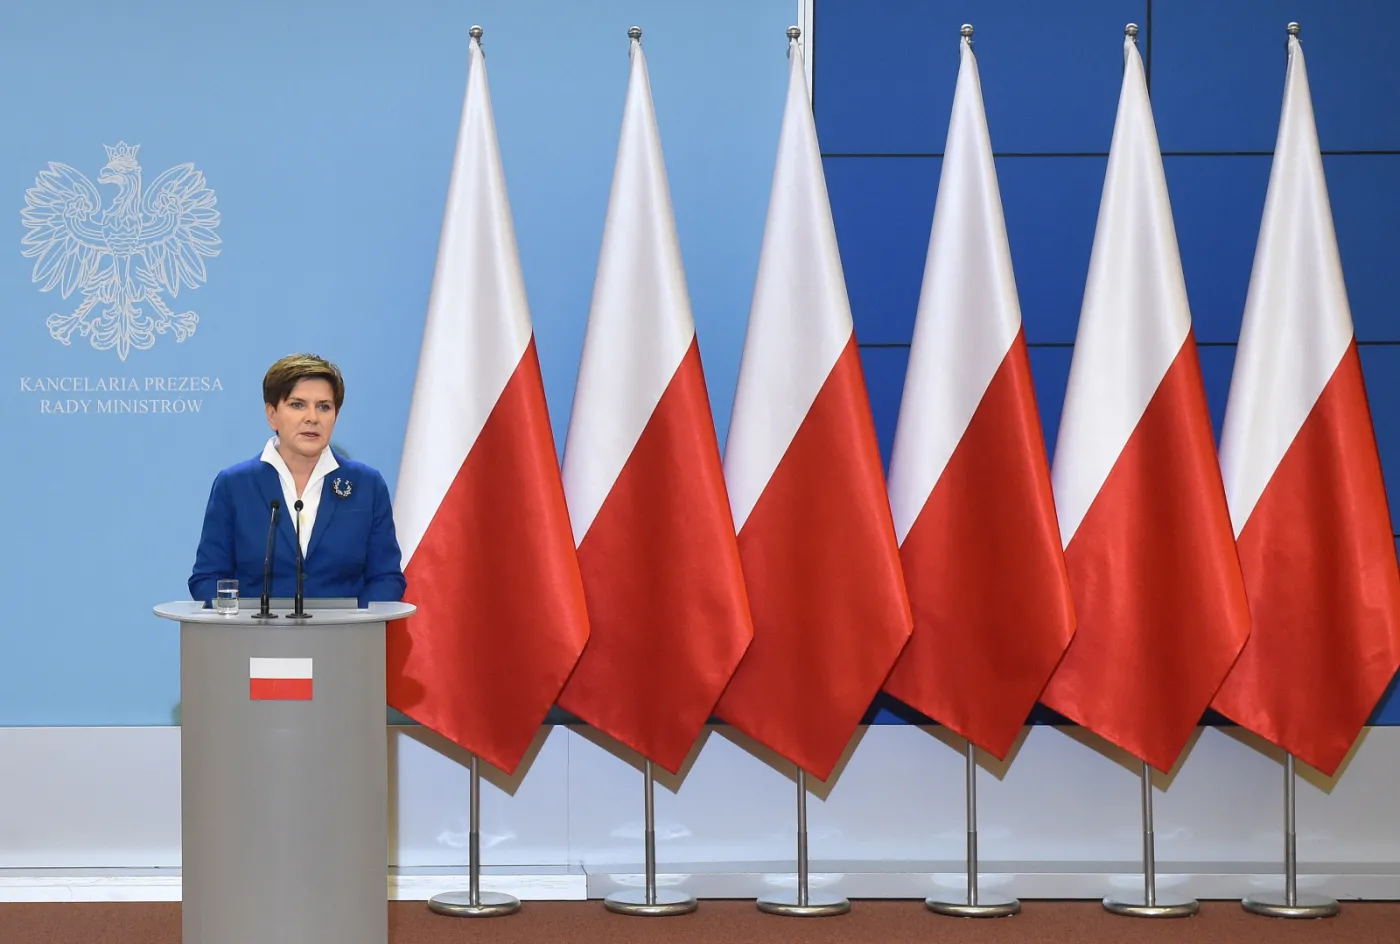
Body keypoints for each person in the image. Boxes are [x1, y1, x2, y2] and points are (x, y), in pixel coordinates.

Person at [189, 353, 406, 608]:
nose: (312, 417)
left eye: (324, 406)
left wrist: (354, 623)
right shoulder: (234, 485)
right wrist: (244, 619)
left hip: (345, 642)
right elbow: (207, 578)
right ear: (272, 415)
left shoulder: (366, 485)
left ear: (335, 416)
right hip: (254, 642)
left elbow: (386, 578)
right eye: (297, 404)